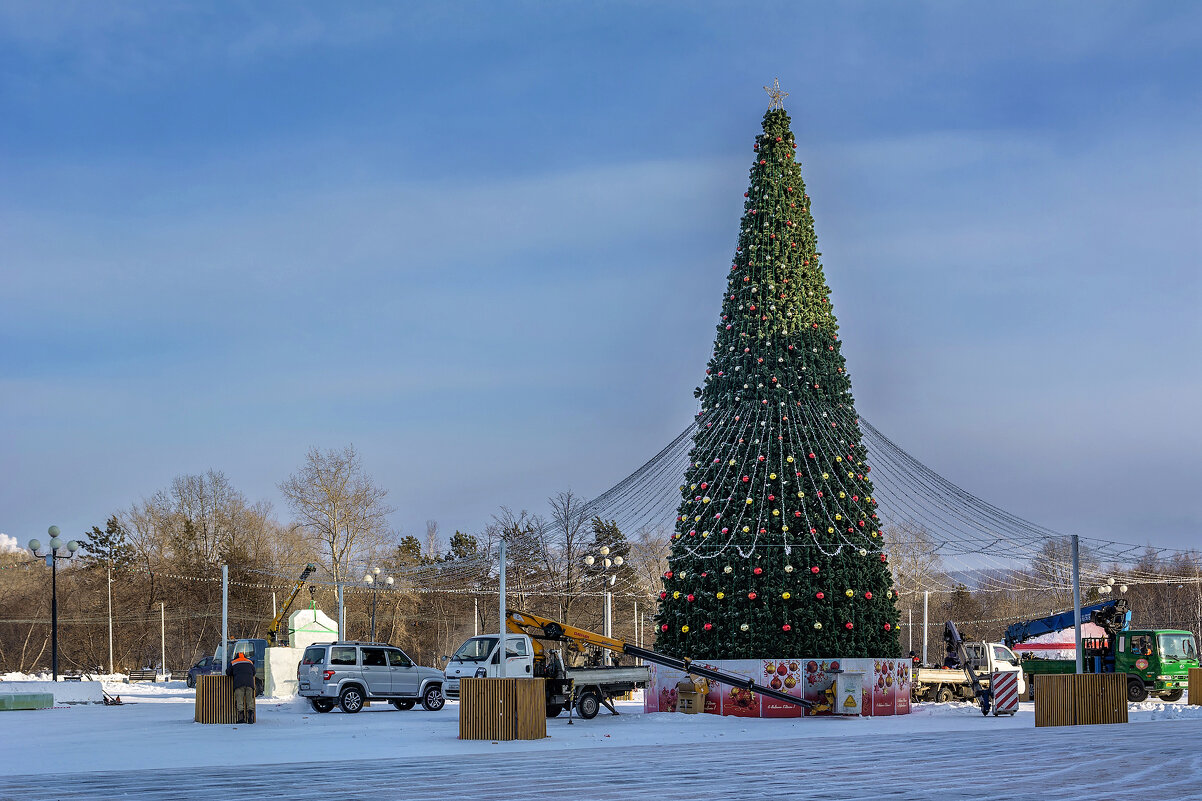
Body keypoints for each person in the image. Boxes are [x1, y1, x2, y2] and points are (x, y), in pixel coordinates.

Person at [227, 650, 256, 724]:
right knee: (250, 701)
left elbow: (228, 673)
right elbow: (254, 672)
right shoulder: (249, 662)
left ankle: (241, 718)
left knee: (240, 701)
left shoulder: (233, 662)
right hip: (249, 683)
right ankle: (250, 718)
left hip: (238, 684)